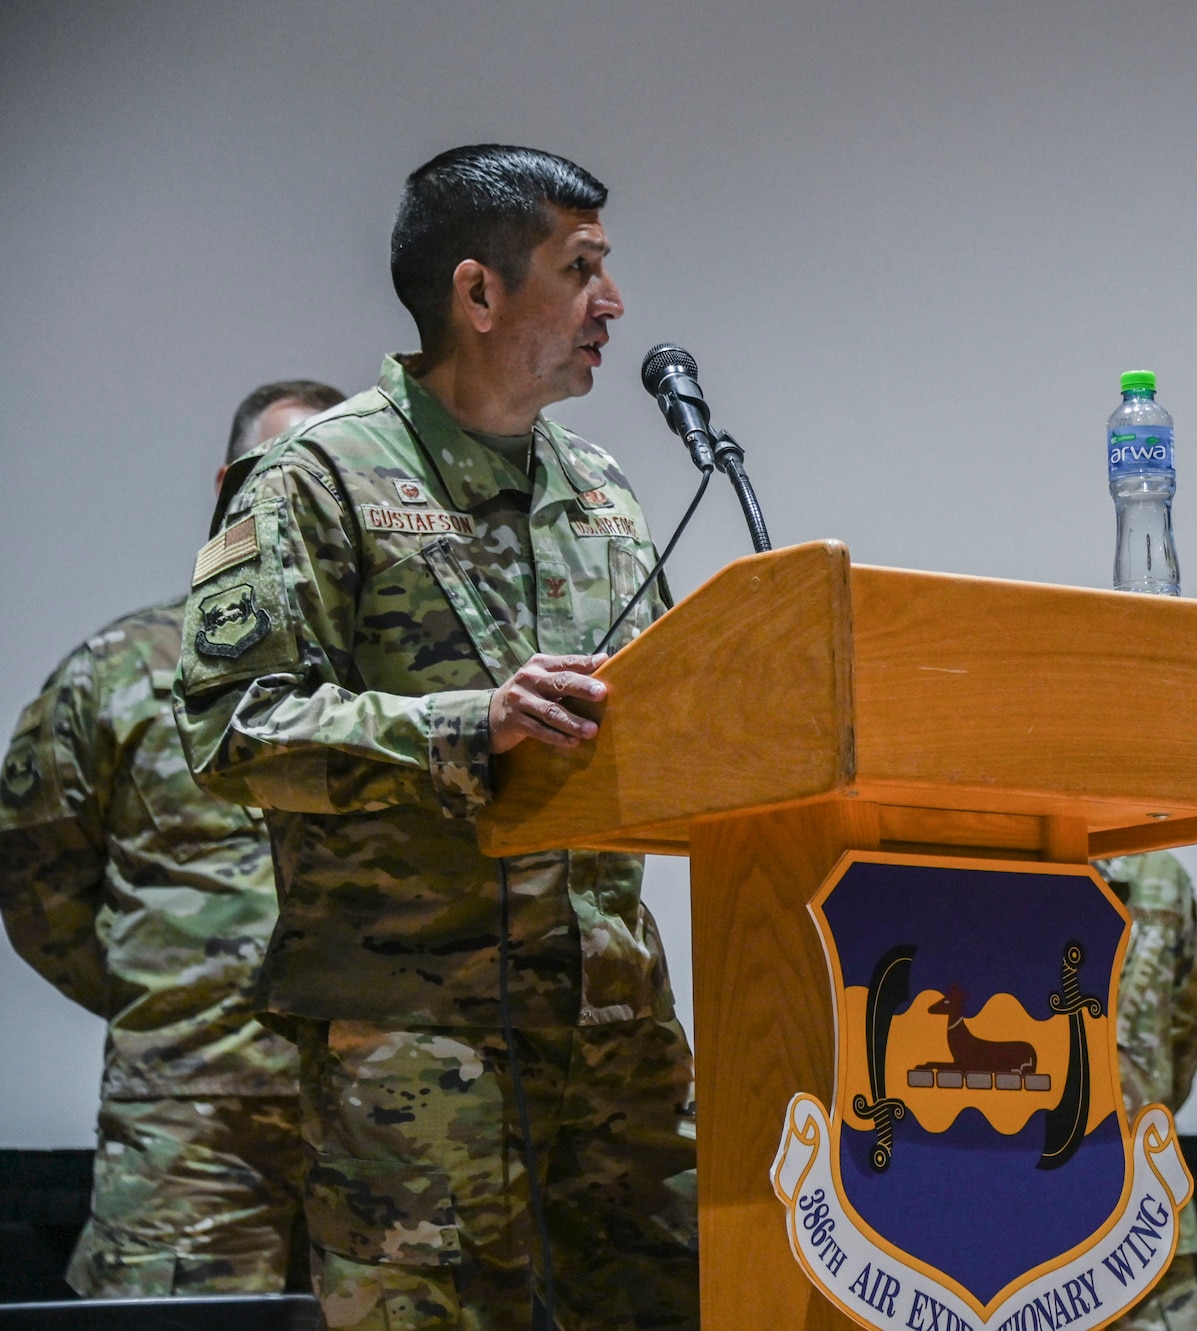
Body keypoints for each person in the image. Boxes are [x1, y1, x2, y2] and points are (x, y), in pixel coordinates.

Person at [174, 145, 697, 1331]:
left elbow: (673, 715)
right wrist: (469, 726)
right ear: (478, 293)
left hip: (615, 1035)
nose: (612, 304)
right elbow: (229, 727)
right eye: (582, 270)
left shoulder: (603, 490)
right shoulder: (316, 479)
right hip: (419, 1047)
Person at [0, 378, 344, 1297]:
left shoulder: (414, 690)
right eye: (286, 473)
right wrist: (172, 998)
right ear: (231, 484)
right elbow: (33, 884)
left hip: (385, 1128)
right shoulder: (119, 673)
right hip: (185, 1134)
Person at [1096, 851, 1197, 1331]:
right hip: (1146, 1198)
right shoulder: (1160, 873)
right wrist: (1146, 1105)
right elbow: (1190, 1020)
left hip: (1026, 1192)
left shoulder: (1008, 858)